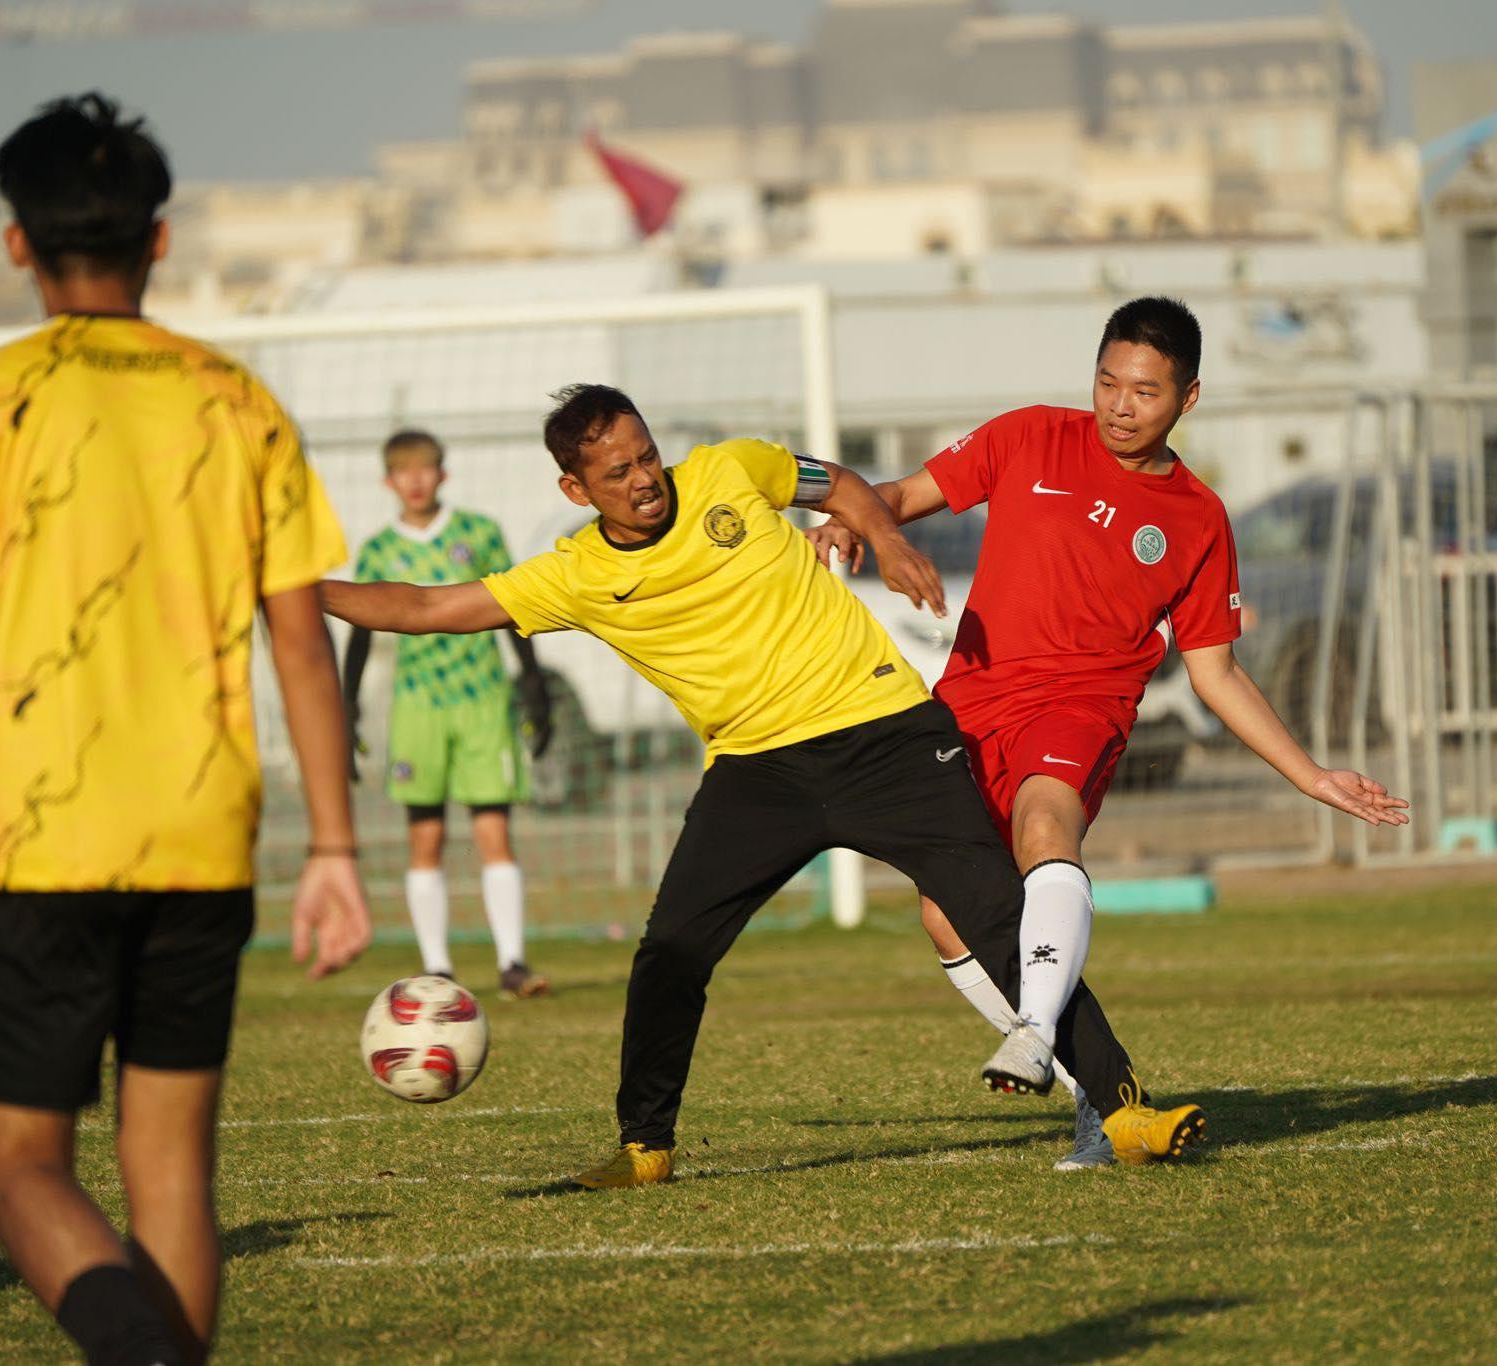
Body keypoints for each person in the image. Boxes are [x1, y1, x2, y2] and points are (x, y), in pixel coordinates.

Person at [323, 383, 1205, 1190]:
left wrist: (890, 540)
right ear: (576, 491)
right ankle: (645, 1147)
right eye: (617, 472)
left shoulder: (729, 470)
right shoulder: (576, 575)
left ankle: (1125, 1111)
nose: (644, 480)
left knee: (993, 913)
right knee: (672, 948)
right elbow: (424, 608)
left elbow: (842, 486)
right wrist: (290, 593)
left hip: (883, 732)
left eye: (646, 456)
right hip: (756, 774)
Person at [0, 94, 370, 1365]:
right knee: (168, 1163)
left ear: (15, 244)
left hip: (45, 833)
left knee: (12, 1163)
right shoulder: (235, 400)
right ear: (158, 240)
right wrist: (333, 849)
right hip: (203, 833)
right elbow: (299, 639)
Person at [810, 296, 1408, 1168]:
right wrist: (855, 518)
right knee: (946, 915)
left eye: (1146, 392)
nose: (1120, 405)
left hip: (1081, 709)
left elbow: (1216, 673)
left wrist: (1309, 775)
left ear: (1188, 399)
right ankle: (1100, 1094)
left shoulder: (1199, 520)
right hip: (971, 703)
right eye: (1107, 381)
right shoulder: (1029, 438)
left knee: (1045, 827)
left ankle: (1034, 1032)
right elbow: (900, 495)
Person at [344, 428, 555, 997]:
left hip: (482, 699)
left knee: (493, 831)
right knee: (427, 838)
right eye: (403, 471)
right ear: (389, 481)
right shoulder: (377, 551)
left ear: (443, 474)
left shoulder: (479, 533)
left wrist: (532, 683)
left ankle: (512, 963)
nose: (414, 480)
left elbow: (514, 609)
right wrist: (349, 704)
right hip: (417, 707)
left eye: (425, 468)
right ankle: (437, 969)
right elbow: (362, 629)